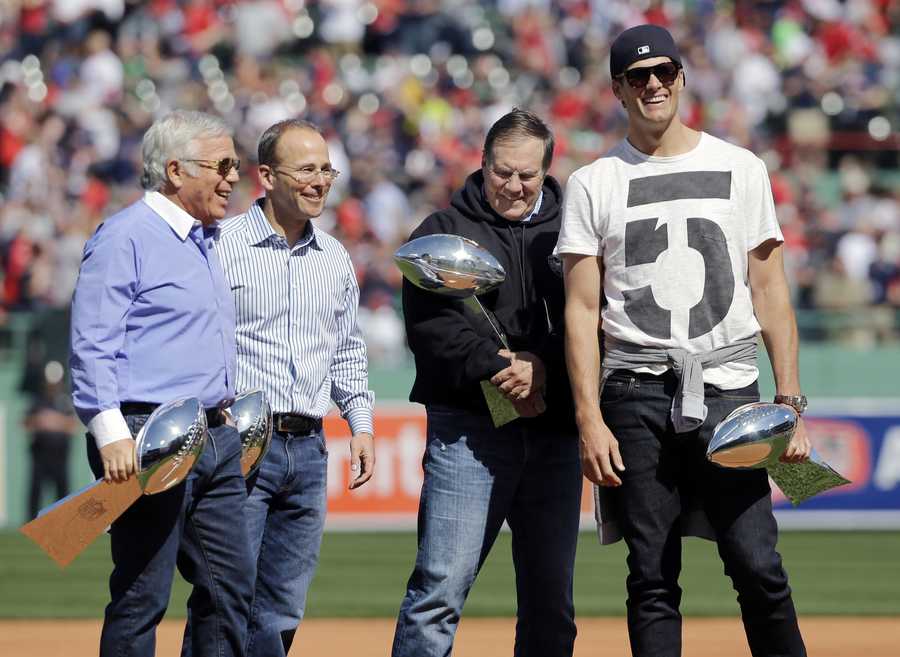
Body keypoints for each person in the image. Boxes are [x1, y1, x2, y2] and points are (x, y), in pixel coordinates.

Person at [557, 24, 811, 657]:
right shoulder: (595, 182)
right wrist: (589, 418)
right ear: (617, 88)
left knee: (757, 564)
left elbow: (771, 291)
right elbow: (582, 309)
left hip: (730, 388)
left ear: (683, 79)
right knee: (650, 574)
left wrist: (792, 404)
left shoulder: (739, 165)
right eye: (638, 76)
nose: (653, 85)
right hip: (636, 391)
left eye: (664, 72)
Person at [392, 109, 581, 657]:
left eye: (528, 175)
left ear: (547, 170)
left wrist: (541, 366)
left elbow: (590, 315)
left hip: (554, 433)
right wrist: (503, 368)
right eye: (503, 172)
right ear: (482, 163)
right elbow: (432, 333)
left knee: (552, 603)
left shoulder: (573, 229)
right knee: (438, 593)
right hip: (469, 431)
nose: (514, 186)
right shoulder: (442, 231)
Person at [69, 110, 255, 657]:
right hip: (144, 434)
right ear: (176, 170)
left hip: (215, 436)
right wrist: (109, 432)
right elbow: (92, 340)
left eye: (235, 165)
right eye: (221, 165)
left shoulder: (206, 240)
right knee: (142, 595)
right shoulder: (124, 235)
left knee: (231, 590)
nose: (232, 177)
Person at [212, 118, 376, 657]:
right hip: (238, 445)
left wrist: (362, 426)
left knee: (282, 607)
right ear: (266, 176)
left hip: (308, 449)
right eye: (306, 169)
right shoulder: (221, 245)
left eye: (326, 169)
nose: (320, 181)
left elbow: (348, 352)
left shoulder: (334, 259)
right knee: (223, 600)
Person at [23, 360, 78, 519]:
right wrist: (39, 421)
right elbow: (25, 422)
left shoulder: (66, 401)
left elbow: (73, 425)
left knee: (62, 492)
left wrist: (54, 421)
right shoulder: (37, 400)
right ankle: (30, 523)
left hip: (60, 455)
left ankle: (63, 523)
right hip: (39, 454)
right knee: (35, 491)